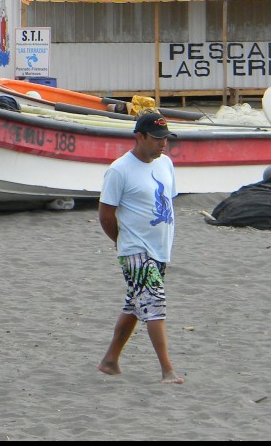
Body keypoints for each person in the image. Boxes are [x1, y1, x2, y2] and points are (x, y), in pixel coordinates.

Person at [97, 111, 184, 384]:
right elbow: (106, 214)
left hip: (159, 249)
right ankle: (167, 370)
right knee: (154, 303)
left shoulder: (165, 164)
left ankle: (110, 360)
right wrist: (121, 242)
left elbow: (167, 202)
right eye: (157, 138)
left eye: (166, 138)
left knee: (136, 304)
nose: (163, 144)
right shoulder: (119, 170)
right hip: (135, 249)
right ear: (140, 136)